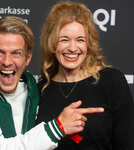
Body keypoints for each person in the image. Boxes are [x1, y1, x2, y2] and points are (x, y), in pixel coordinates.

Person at [0, 16, 104, 150]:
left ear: (28, 58)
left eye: (16, 53)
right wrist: (58, 128)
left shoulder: (31, 84)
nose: (7, 62)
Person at [36, 1, 134, 150]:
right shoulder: (40, 90)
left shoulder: (111, 81)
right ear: (52, 42)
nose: (73, 48)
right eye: (64, 40)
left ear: (89, 43)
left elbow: (126, 145)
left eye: (80, 40)